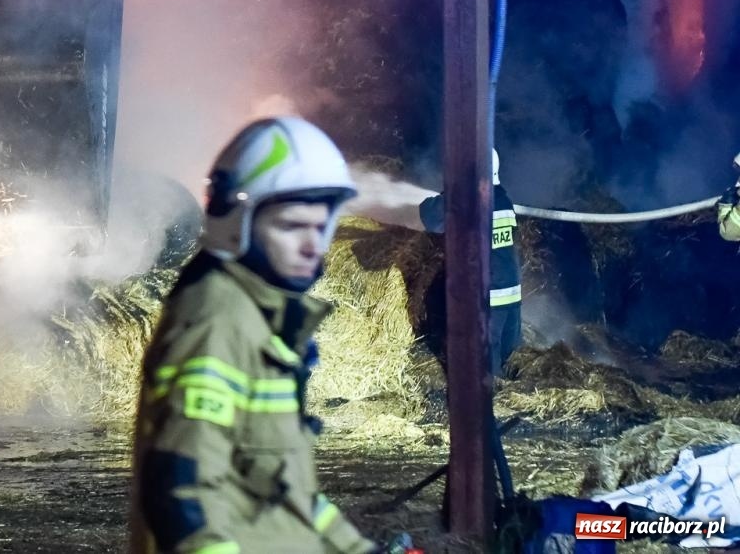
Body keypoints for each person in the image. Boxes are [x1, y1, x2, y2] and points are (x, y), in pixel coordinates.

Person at [130, 116, 376, 554]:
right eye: (292, 227)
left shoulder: (263, 319)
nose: (313, 246)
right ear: (236, 220)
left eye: (322, 227)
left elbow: (290, 497)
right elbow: (181, 494)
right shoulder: (217, 320)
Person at [343, 150, 521, 379]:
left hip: (486, 299)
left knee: (483, 371)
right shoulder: (503, 198)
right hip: (511, 296)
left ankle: (489, 408)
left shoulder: (466, 200)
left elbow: (430, 217)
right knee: (512, 362)